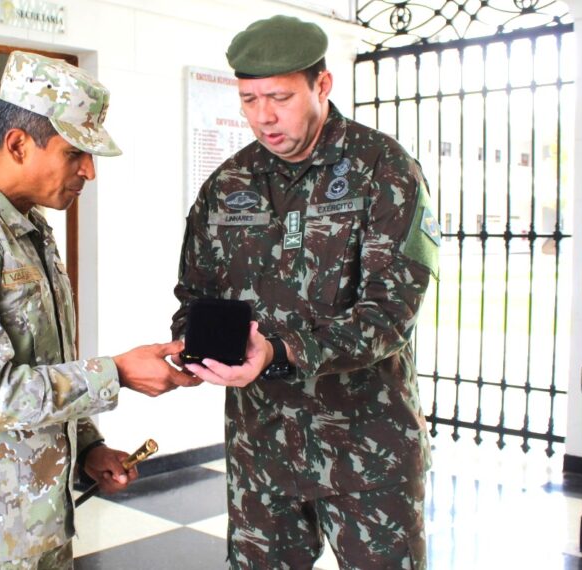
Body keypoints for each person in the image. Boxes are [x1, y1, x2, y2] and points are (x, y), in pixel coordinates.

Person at [0, 50, 197, 569]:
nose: (89, 171)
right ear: (17, 143)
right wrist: (116, 373)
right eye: (76, 153)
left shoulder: (25, 227)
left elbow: (43, 362)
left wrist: (89, 446)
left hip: (36, 521)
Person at [172, 15, 441, 570]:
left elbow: (391, 314)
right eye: (248, 99)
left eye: (279, 97)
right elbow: (193, 294)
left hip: (368, 453)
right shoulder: (226, 186)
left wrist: (281, 349)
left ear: (322, 85)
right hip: (261, 453)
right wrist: (195, 347)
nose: (263, 116)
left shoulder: (384, 171)